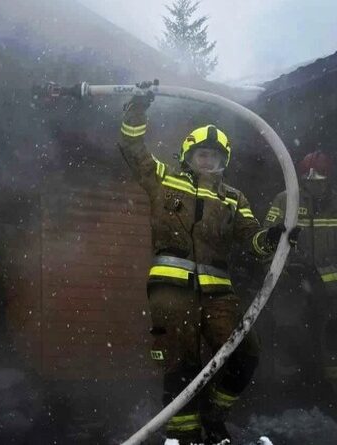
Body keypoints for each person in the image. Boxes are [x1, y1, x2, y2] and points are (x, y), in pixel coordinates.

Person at [118, 88, 294, 444]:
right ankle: (185, 437)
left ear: (223, 161)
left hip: (218, 294)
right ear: (188, 155)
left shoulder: (233, 198)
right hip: (171, 289)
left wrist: (273, 237)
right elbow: (132, 148)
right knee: (180, 362)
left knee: (245, 353)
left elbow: (252, 240)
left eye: (214, 156)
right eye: (202, 154)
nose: (207, 161)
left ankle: (214, 414)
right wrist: (136, 109)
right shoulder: (164, 179)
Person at [263, 151, 337, 397]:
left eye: (321, 179)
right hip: (291, 283)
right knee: (288, 331)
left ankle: (330, 391)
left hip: (330, 287)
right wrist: (281, 270)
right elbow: (266, 240)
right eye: (310, 179)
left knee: (330, 334)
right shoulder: (286, 200)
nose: (316, 184)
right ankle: (286, 391)